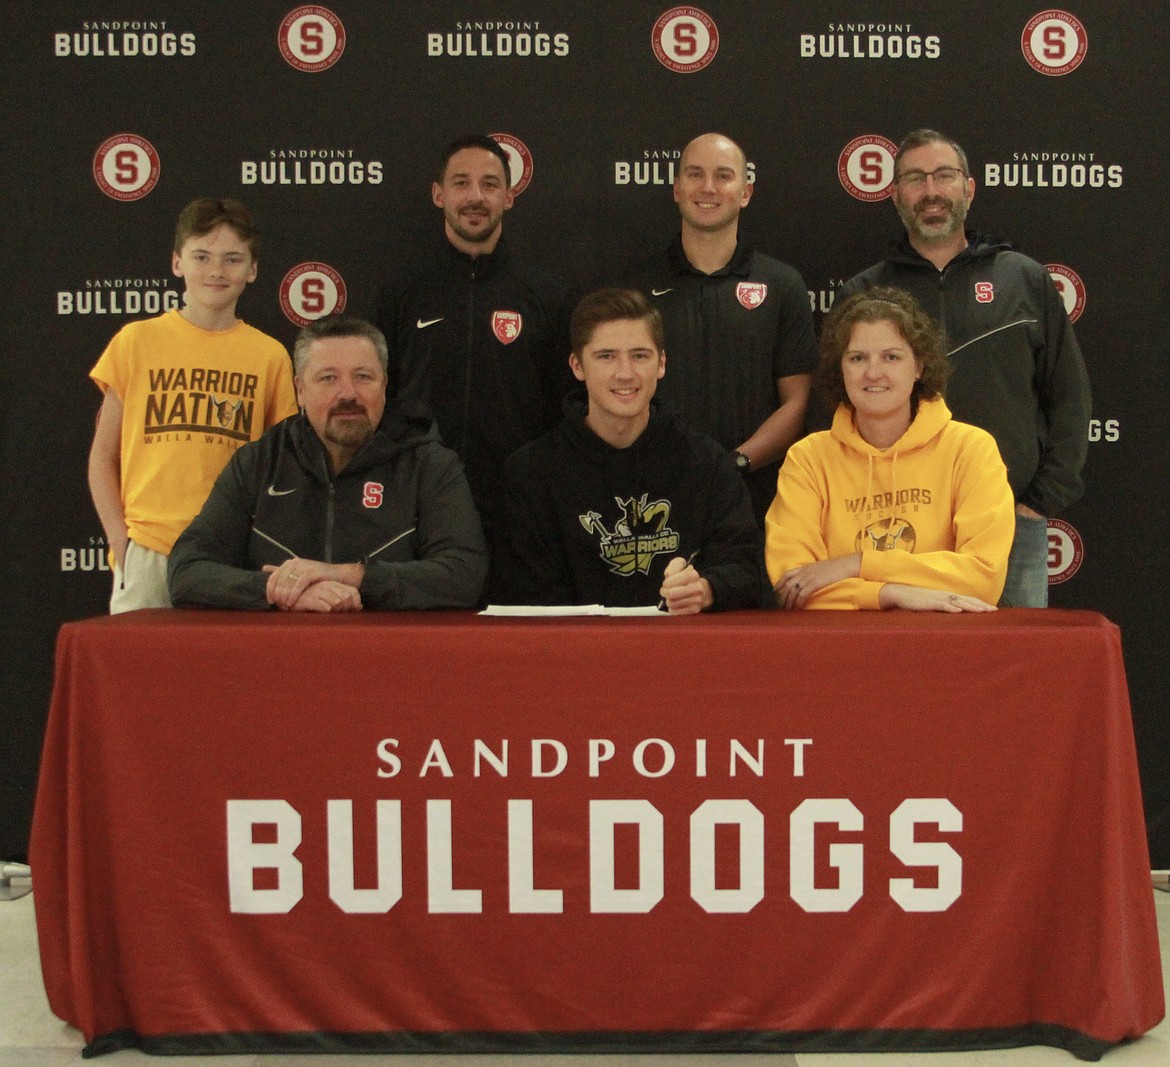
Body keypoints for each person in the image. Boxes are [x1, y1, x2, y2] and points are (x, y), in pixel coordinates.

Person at [839, 129, 1091, 606]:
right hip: (896, 531)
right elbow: (834, 412)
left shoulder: (1024, 279)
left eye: (944, 176)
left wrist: (1037, 504)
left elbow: (1069, 398)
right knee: (909, 677)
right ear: (894, 196)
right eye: (915, 179)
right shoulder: (864, 293)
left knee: (1013, 673)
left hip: (1011, 527)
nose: (931, 191)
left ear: (968, 189)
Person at [168, 315, 487, 611]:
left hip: (392, 658)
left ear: (384, 386)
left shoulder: (429, 463)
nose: (347, 394)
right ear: (300, 390)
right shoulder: (259, 461)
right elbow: (188, 570)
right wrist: (284, 590)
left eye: (363, 377)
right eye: (328, 378)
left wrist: (352, 576)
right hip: (275, 659)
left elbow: (464, 573)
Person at [496, 288, 765, 613]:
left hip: (684, 653)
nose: (625, 372)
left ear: (662, 363)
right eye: (606, 356)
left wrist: (706, 589)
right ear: (577, 366)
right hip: (573, 656)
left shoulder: (706, 462)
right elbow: (529, 598)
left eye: (640, 355)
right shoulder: (531, 474)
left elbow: (745, 567)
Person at [87, 197, 298, 612]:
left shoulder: (269, 356)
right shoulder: (135, 342)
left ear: (252, 270)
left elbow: (281, 470)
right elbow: (101, 457)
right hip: (149, 548)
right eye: (201, 257)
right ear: (177, 263)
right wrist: (119, 538)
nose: (216, 271)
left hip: (228, 553)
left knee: (220, 677)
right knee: (141, 676)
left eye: (232, 259)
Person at [374, 134, 573, 574]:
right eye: (461, 183)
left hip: (516, 509)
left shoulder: (546, 298)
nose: (475, 197)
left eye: (489, 184)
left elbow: (563, 410)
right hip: (416, 507)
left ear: (509, 196)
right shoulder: (401, 294)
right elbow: (379, 400)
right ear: (438, 194)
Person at [765, 287, 1014, 611]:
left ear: (919, 367)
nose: (873, 372)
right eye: (857, 358)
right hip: (841, 650)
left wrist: (857, 564)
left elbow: (983, 579)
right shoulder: (808, 459)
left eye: (891, 357)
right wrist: (890, 595)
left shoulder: (971, 450)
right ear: (840, 368)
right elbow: (793, 586)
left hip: (945, 648)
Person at [624, 132, 815, 524]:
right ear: (676, 189)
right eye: (695, 174)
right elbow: (615, 391)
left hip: (755, 497)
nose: (708, 187)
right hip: (651, 493)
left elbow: (797, 403)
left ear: (745, 191)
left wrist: (735, 465)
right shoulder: (635, 287)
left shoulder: (782, 284)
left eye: (723, 176)